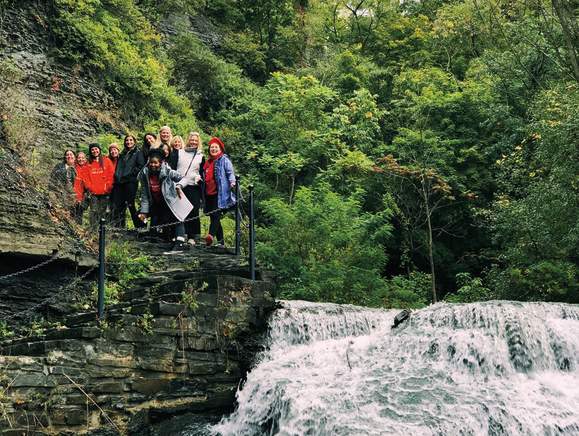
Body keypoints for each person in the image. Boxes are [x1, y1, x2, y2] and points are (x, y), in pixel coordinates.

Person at [138, 149, 188, 252]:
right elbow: (144, 194)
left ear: (160, 163)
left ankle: (180, 243)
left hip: (171, 200)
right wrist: (144, 211)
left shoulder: (168, 171)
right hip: (157, 202)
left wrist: (179, 186)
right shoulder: (144, 174)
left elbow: (184, 179)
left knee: (177, 219)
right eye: (151, 162)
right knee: (159, 223)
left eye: (155, 163)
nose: (153, 165)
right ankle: (166, 242)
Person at [203, 137, 236, 247]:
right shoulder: (207, 162)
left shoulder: (224, 160)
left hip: (219, 193)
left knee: (216, 215)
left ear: (220, 149)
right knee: (213, 217)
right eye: (212, 147)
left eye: (216, 147)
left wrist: (232, 181)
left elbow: (230, 172)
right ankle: (221, 242)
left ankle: (211, 236)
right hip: (208, 193)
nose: (213, 149)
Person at [173, 132, 205, 245]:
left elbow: (201, 171)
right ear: (188, 140)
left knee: (193, 210)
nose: (194, 142)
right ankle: (182, 234)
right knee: (180, 210)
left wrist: (199, 177)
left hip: (193, 186)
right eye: (192, 140)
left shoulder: (200, 156)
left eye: (196, 140)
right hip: (179, 185)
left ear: (198, 142)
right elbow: (173, 166)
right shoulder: (180, 152)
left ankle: (193, 236)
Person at [75, 143, 115, 227]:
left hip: (105, 192)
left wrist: (108, 187)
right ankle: (93, 231)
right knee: (93, 212)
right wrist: (90, 188)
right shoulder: (88, 163)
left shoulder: (106, 160)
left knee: (104, 212)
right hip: (93, 194)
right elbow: (85, 177)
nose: (94, 151)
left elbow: (111, 175)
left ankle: (103, 231)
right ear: (90, 151)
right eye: (92, 149)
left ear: (99, 150)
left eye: (96, 149)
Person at [111, 134, 145, 228]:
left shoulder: (138, 153)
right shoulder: (122, 154)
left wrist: (129, 174)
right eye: (127, 140)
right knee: (119, 205)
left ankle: (139, 226)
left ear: (134, 141)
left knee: (131, 204)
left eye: (131, 140)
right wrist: (117, 176)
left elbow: (140, 166)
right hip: (120, 182)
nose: (128, 142)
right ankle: (120, 227)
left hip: (131, 182)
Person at [74, 151, 88, 224]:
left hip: (82, 197)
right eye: (79, 158)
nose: (81, 159)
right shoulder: (73, 168)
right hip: (72, 196)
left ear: (85, 159)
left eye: (83, 158)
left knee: (79, 216)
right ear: (76, 159)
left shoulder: (88, 169)